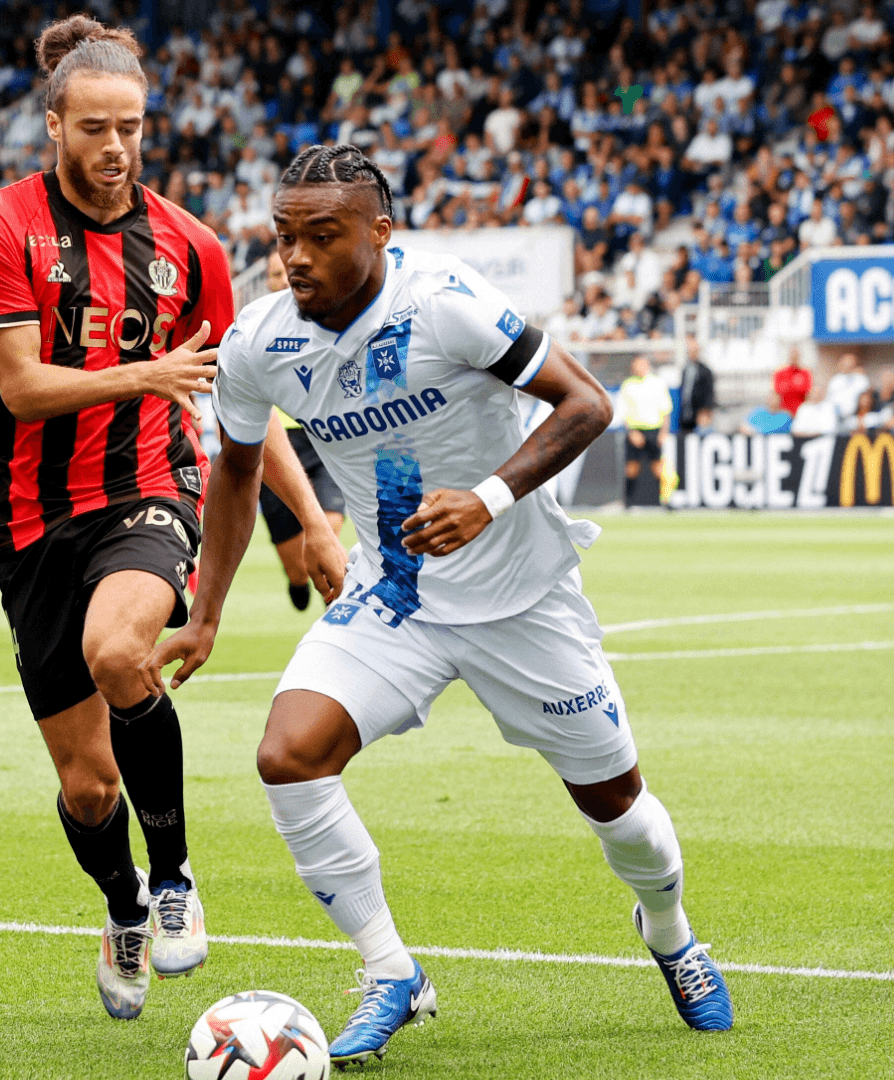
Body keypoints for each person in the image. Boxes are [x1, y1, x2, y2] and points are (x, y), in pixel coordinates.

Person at [149, 143, 732, 1068]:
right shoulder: (262, 339)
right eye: (284, 236)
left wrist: (488, 499)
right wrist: (206, 609)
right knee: (288, 756)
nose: (296, 256)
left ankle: (671, 934)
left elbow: (586, 403)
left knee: (619, 807)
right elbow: (235, 469)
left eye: (322, 235)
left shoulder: (445, 301)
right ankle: (391, 972)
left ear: (380, 232)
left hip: (522, 598)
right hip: (397, 594)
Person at [0, 15, 241, 1021]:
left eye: (132, 127)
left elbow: (238, 398)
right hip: (30, 519)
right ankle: (122, 906)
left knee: (120, 653)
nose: (116, 147)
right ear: (53, 125)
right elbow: (23, 388)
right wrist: (148, 372)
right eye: (95, 129)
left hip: (148, 486)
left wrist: (306, 525)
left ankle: (174, 876)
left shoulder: (193, 246)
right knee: (86, 786)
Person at [257, 253, 347, 611]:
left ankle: (336, 614)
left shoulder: (332, 320)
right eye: (275, 274)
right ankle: (296, 579)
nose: (283, 279)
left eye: (288, 272)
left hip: (322, 441)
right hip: (277, 447)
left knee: (329, 530)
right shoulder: (256, 331)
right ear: (267, 281)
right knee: (297, 566)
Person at [618, 354, 673, 505]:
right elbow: (624, 412)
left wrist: (663, 433)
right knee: (631, 468)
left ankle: (665, 501)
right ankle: (628, 502)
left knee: (658, 467)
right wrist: (631, 432)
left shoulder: (658, 383)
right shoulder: (628, 385)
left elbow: (666, 411)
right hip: (635, 430)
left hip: (654, 430)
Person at [773, 345, 812, 413]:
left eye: (796, 355)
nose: (794, 357)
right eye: (792, 355)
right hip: (783, 412)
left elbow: (808, 393)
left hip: (800, 411)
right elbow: (776, 393)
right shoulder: (780, 373)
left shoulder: (805, 374)